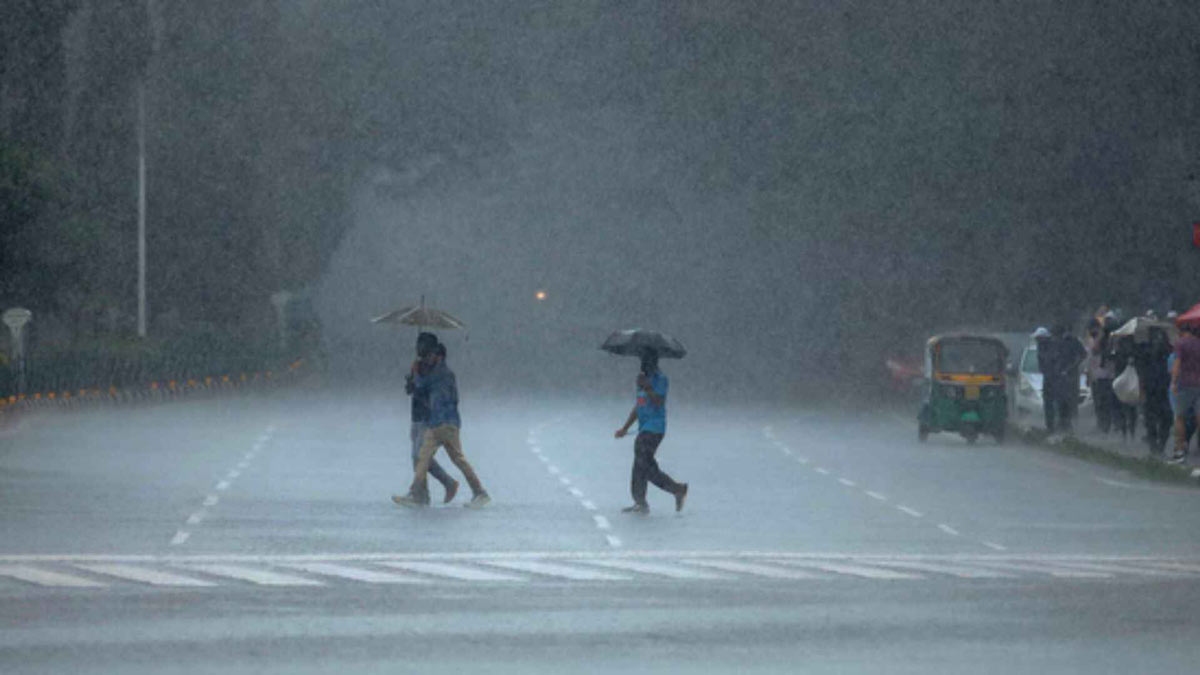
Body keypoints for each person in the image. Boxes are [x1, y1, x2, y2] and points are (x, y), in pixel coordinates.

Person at [393, 343, 491, 508]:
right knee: (422, 458)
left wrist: (416, 373)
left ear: (439, 357)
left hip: (447, 423)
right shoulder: (442, 373)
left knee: (457, 459)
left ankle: (480, 492)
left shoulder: (442, 373)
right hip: (436, 423)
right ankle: (417, 493)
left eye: (431, 355)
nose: (428, 358)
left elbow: (424, 384)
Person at [614, 350, 687, 514]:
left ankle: (648, 499)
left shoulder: (660, 379)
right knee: (643, 465)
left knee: (642, 464)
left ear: (654, 363)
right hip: (644, 428)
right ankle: (673, 490)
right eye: (642, 361)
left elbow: (659, 401)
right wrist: (625, 428)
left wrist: (647, 387)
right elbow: (638, 406)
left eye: (646, 362)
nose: (643, 365)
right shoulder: (641, 379)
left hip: (655, 428)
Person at [404, 333, 458, 505]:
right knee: (419, 456)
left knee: (419, 456)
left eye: (422, 345)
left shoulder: (436, 369)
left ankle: (422, 491)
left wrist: (418, 386)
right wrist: (410, 385)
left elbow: (430, 390)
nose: (419, 348)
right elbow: (412, 390)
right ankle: (425, 493)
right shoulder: (417, 365)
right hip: (416, 415)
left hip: (429, 417)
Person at [1135, 327, 1173, 456]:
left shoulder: (1169, 351)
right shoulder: (1144, 351)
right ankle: (1154, 447)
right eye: (1155, 336)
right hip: (1152, 389)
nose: (1158, 340)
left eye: (1160, 336)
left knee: (1166, 419)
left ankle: (1160, 447)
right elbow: (1140, 371)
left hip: (1164, 389)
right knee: (1151, 419)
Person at [1170, 322, 1200, 464]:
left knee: (1179, 417)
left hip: (1185, 384)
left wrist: (1173, 382)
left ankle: (1179, 451)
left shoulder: (1181, 344)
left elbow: (1177, 363)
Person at [1051, 325, 1087, 434]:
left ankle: (1070, 425)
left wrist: (1072, 367)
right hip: (1058, 375)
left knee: (1070, 400)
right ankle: (1062, 423)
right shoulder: (1055, 343)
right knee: (1059, 399)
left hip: (1071, 375)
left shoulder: (1072, 341)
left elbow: (1083, 355)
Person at [1032, 327, 1059, 432]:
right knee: (1048, 402)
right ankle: (1050, 425)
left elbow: (1053, 361)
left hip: (1055, 378)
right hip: (1047, 377)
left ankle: (1056, 424)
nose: (1038, 341)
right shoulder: (1041, 348)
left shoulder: (1052, 347)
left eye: (1039, 338)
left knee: (1055, 402)